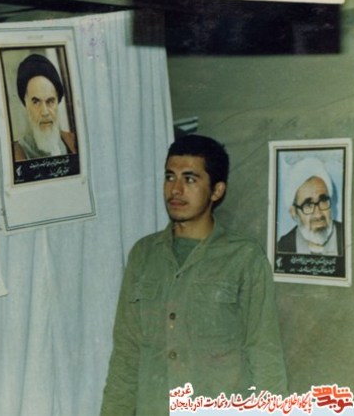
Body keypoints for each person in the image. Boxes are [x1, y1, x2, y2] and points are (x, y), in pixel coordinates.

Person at [100, 134, 287, 416]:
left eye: (190, 179)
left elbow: (265, 355)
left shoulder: (244, 258)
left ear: (217, 190)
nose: (175, 190)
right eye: (170, 177)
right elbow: (126, 354)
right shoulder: (143, 255)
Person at [12, 53, 77, 161]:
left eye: (50, 101)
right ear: (26, 104)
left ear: (57, 101)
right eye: (36, 102)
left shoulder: (73, 142)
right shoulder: (16, 154)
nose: (45, 112)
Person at [277, 157, 343, 256]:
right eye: (308, 205)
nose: (318, 214)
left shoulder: (347, 235)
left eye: (323, 201)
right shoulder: (283, 247)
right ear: (293, 212)